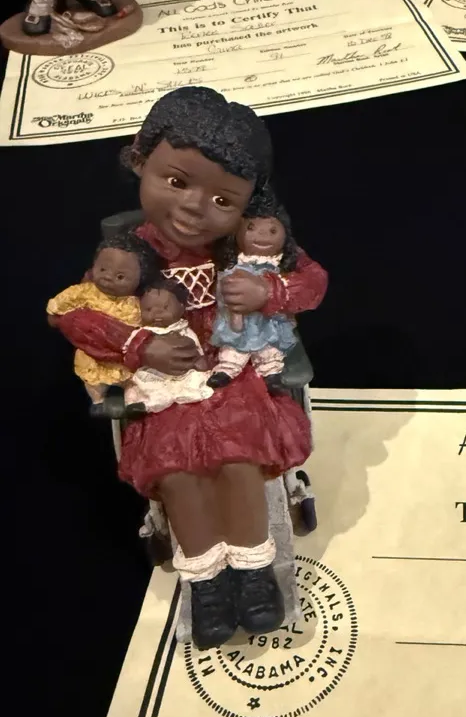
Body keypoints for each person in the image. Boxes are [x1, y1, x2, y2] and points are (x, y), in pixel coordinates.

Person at [49, 87, 328, 650]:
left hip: (233, 374)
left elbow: (312, 281)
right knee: (178, 471)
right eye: (176, 182)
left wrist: (271, 291)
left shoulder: (246, 247)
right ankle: (206, 582)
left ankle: (253, 573)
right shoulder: (129, 253)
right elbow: (76, 313)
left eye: (224, 200)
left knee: (239, 458)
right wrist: (137, 346)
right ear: (140, 160)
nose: (197, 207)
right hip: (167, 384)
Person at [46, 230, 159, 418]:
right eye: (103, 270)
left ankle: (134, 402)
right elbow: (62, 303)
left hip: (123, 357)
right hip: (93, 355)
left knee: (134, 381)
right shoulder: (85, 292)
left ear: (140, 279)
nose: (107, 278)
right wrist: (55, 314)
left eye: (120, 277)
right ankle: (97, 401)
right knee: (93, 379)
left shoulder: (137, 304)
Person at [208, 201, 299, 391]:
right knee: (234, 346)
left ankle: (271, 373)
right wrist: (235, 311)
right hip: (241, 320)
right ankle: (226, 370)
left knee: (269, 348)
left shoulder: (279, 269)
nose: (262, 236)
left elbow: (290, 294)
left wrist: (281, 305)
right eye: (251, 228)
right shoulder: (234, 268)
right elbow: (224, 291)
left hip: (268, 320)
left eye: (272, 231)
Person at [124, 279, 213, 416]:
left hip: (183, 373)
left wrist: (199, 361)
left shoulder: (184, 330)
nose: (156, 314)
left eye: (165, 308)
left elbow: (195, 349)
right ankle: (147, 405)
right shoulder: (142, 333)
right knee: (149, 387)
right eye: (148, 309)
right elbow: (129, 352)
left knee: (196, 379)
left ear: (181, 308)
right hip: (154, 373)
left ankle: (185, 396)